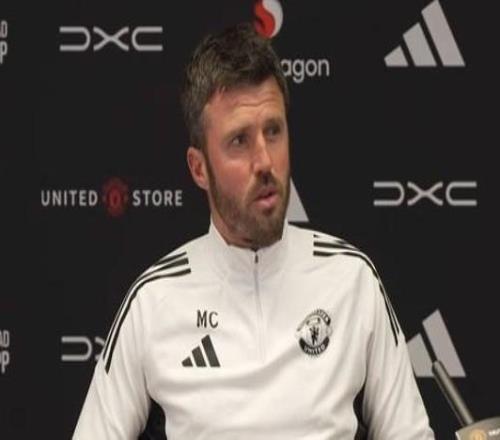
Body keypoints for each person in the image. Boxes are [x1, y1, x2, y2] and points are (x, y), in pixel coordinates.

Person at [73, 23, 435, 439]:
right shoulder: (153, 302)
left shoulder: (353, 281)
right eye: (239, 141)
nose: (264, 161)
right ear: (198, 168)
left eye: (273, 131)